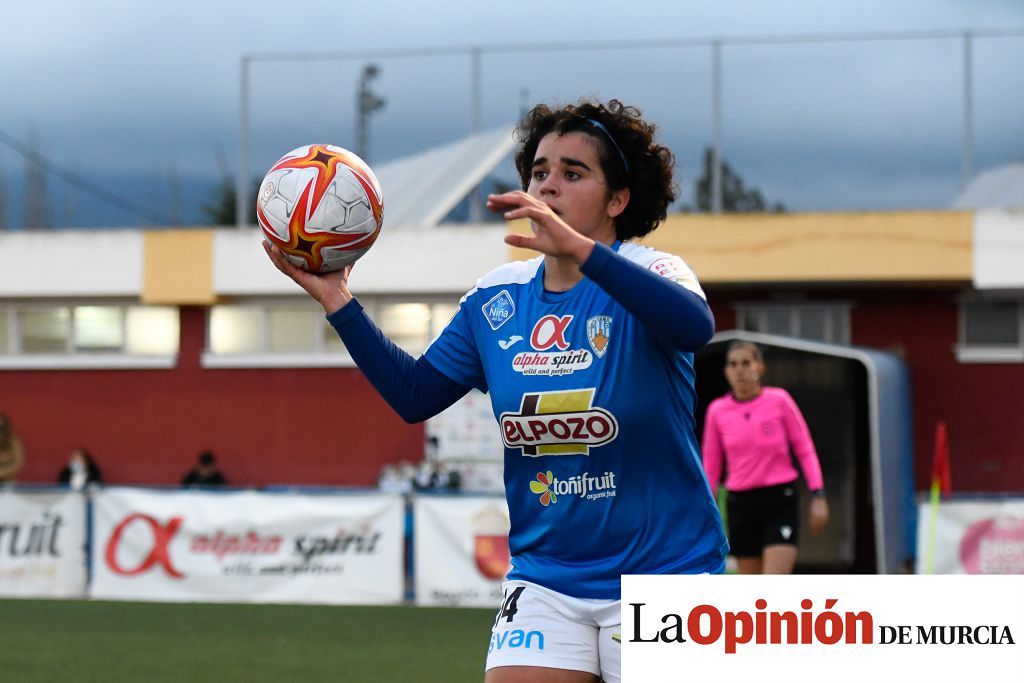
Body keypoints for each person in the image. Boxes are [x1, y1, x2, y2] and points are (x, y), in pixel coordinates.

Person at [265, 98, 726, 683]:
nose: (548, 185)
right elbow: (416, 396)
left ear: (618, 200)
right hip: (547, 579)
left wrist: (582, 253)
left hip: (667, 577)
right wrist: (337, 301)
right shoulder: (496, 299)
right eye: (538, 171)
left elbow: (695, 329)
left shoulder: (653, 273)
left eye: (572, 173)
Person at [701, 340, 830, 575]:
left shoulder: (779, 401)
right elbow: (711, 466)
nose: (740, 370)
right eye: (733, 364)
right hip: (740, 502)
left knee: (774, 581)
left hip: (778, 499)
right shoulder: (717, 411)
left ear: (759, 367)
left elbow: (805, 449)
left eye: (746, 363)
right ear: (726, 371)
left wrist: (818, 494)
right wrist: (707, 511)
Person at [0, 412, 25, 484]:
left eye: (1, 429)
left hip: (9, 483)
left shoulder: (15, 444)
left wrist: (2, 473)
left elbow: (17, 465)